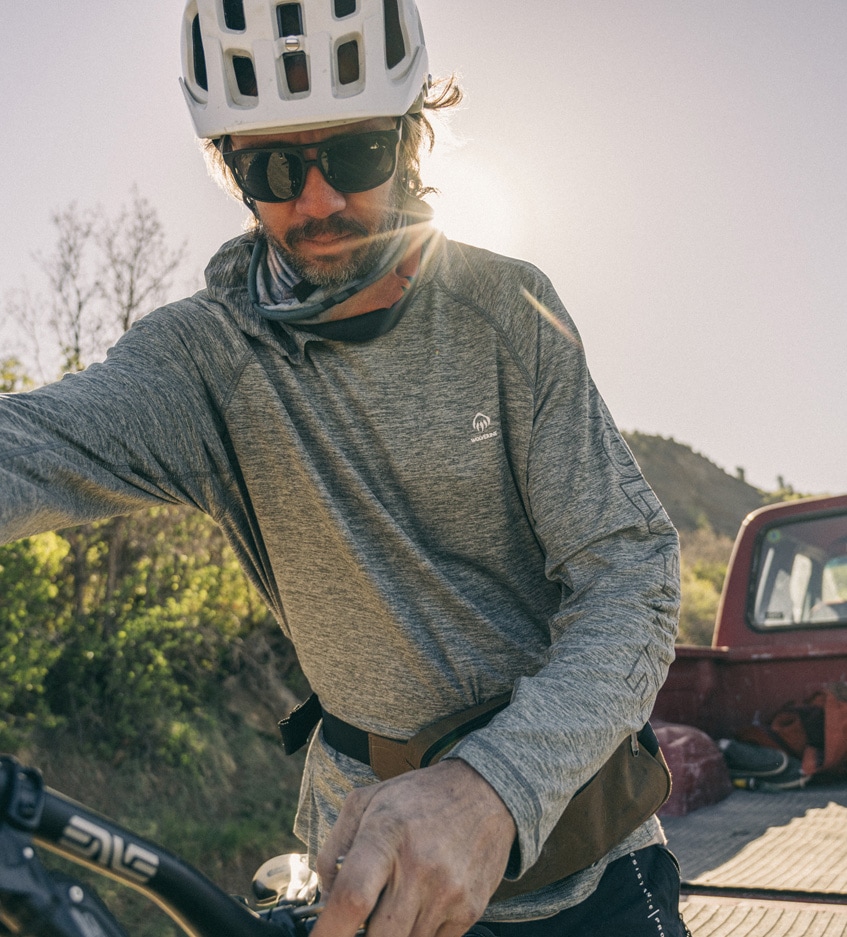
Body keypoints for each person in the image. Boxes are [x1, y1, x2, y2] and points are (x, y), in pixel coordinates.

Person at [0, 1, 688, 935]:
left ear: (411, 142)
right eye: (276, 167)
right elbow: (25, 447)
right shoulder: (204, 363)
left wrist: (493, 787)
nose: (318, 201)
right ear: (231, 168)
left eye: (356, 155)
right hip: (364, 873)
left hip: (580, 871)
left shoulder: (508, 309)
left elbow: (634, 577)